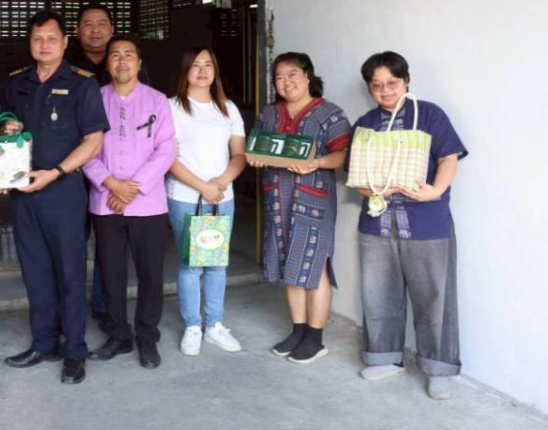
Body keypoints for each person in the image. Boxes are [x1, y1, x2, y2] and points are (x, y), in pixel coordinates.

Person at [351, 52, 467, 400]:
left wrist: (435, 191)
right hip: (377, 223)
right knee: (378, 294)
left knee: (434, 296)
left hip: (426, 222)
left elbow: (449, 157)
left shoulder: (430, 115)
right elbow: (356, 176)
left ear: (406, 81)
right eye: (377, 85)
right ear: (369, 88)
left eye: (392, 83)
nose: (385, 90)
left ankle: (438, 368)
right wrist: (373, 189)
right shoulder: (366, 124)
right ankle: (385, 358)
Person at [2, 10, 108, 385]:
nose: (44, 45)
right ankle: (44, 343)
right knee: (35, 272)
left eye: (51, 38)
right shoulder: (16, 82)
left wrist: (57, 172)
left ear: (65, 42)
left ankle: (74, 351)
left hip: (63, 191)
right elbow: (3, 132)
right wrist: (3, 165)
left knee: (70, 273)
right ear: (30, 43)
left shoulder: (82, 84)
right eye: (37, 39)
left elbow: (93, 141)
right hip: (24, 192)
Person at [249, 52, 351, 365]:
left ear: (308, 75)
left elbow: (345, 155)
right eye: (279, 77)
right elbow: (254, 146)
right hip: (278, 200)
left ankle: (315, 339)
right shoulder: (270, 113)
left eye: (292, 74)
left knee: (314, 267)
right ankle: (298, 330)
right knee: (290, 266)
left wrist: (316, 162)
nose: (286, 82)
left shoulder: (329, 114)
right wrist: (255, 156)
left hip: (314, 201)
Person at [83, 36, 175, 369]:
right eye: (115, 56)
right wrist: (111, 184)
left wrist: (132, 189)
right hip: (105, 201)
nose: (122, 61)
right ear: (107, 63)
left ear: (139, 63)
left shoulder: (157, 100)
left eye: (128, 55)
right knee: (111, 273)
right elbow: (84, 148)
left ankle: (147, 336)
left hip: (148, 204)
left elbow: (166, 149)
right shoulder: (93, 98)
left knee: (150, 273)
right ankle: (119, 335)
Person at [64, 3, 147, 329]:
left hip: (117, 179)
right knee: (71, 243)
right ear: (77, 31)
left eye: (102, 23)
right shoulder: (66, 67)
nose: (95, 29)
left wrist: (122, 183)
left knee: (110, 249)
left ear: (112, 29)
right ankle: (69, 309)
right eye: (88, 23)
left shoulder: (130, 66)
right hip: (75, 172)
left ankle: (105, 308)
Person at [166, 47, 248, 357]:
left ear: (215, 70)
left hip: (222, 198)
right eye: (196, 65)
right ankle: (192, 326)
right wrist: (203, 186)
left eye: (208, 65)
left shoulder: (227, 109)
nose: (202, 71)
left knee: (216, 263)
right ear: (185, 70)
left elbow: (239, 155)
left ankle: (214, 324)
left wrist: (220, 183)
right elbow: (168, 158)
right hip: (186, 197)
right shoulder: (171, 107)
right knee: (191, 265)